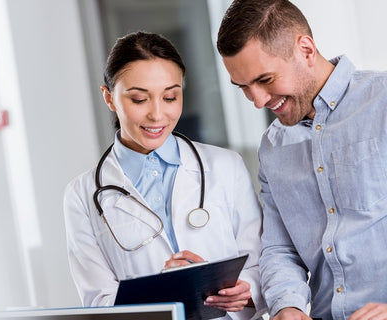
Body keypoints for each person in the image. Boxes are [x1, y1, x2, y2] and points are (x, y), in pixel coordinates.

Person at [63, 31, 266, 320]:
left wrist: (246, 290)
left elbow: (262, 263)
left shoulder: (225, 166)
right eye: (139, 99)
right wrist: (164, 290)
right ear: (109, 98)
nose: (158, 115)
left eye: (170, 97)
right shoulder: (81, 196)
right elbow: (98, 302)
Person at [216, 1, 387, 320]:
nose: (258, 101)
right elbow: (280, 248)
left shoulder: (383, 102)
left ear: (306, 49)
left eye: (265, 79)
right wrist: (287, 306)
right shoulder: (273, 145)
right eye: (244, 88)